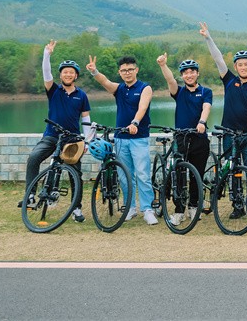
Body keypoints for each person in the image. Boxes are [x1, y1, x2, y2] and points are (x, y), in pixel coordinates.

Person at [20, 40, 93, 223]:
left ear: (76, 76)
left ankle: (76, 208)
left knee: (76, 174)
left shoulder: (82, 95)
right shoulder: (53, 91)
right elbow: (46, 72)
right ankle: (31, 195)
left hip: (72, 140)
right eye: (65, 72)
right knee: (34, 158)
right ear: (60, 75)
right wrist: (47, 54)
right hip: (51, 136)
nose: (68, 74)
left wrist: (87, 141)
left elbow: (86, 119)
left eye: (71, 72)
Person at [200, 22, 247, 219]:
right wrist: (208, 38)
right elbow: (218, 58)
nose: (243, 67)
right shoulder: (229, 80)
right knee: (233, 172)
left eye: (246, 64)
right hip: (229, 134)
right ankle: (237, 206)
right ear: (236, 67)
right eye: (240, 64)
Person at [86, 54, 158, 225]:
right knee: (125, 176)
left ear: (136, 70)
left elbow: (142, 108)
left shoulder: (145, 88)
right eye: (124, 70)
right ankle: (130, 208)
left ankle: (147, 209)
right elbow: (105, 82)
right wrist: (94, 71)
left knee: (142, 174)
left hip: (139, 137)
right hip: (120, 138)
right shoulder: (118, 89)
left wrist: (135, 122)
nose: (127, 72)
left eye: (130, 69)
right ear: (120, 72)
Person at [157, 53, 212, 225]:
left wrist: (202, 122)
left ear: (197, 73)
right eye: (185, 73)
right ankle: (179, 211)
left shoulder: (206, 91)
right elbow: (170, 80)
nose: (189, 75)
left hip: (199, 139)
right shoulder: (179, 92)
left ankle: (194, 206)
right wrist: (163, 65)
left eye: (192, 72)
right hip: (181, 139)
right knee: (179, 175)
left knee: (197, 175)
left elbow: (206, 107)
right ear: (182, 76)